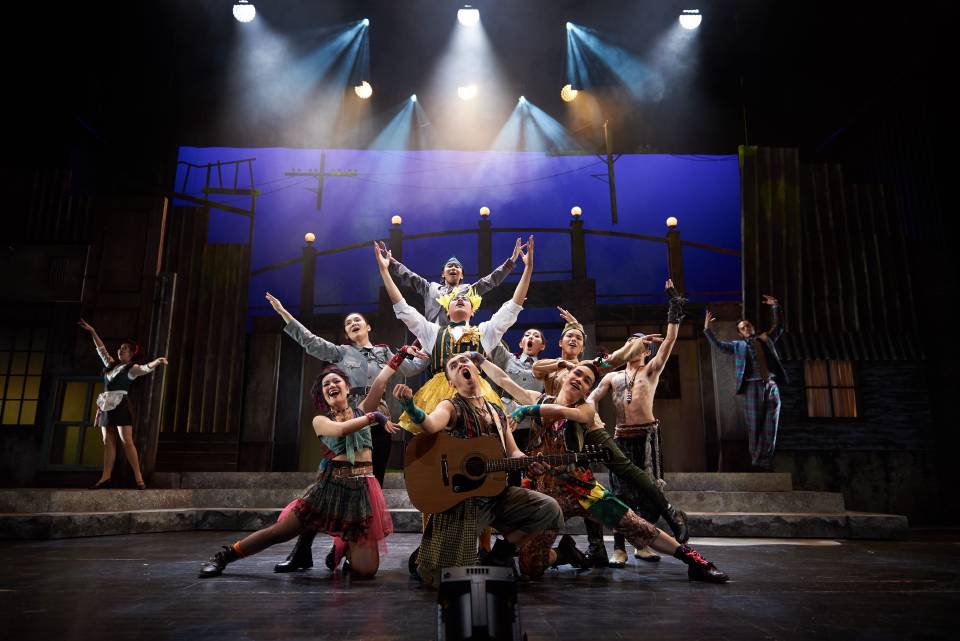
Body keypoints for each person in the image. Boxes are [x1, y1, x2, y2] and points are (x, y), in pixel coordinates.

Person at [478, 354, 728, 584]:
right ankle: (565, 553)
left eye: (586, 380)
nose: (579, 379)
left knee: (636, 525)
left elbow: (562, 411)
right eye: (577, 373)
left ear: (587, 390)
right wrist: (480, 360)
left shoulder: (585, 409)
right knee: (531, 566)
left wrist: (525, 410)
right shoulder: (538, 398)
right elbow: (504, 380)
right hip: (544, 494)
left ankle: (694, 561)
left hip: (582, 489)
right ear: (567, 375)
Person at [197, 354, 408, 579]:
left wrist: (402, 354)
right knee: (278, 533)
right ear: (323, 396)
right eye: (326, 385)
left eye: (336, 381)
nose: (331, 385)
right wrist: (374, 417)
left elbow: (381, 380)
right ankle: (225, 556)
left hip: (361, 490)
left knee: (366, 570)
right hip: (330, 487)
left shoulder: (363, 410)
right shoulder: (321, 421)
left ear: (347, 388)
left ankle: (345, 547)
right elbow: (341, 430)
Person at [264, 293, 427, 572]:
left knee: (369, 489)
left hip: (378, 423)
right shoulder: (341, 353)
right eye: (348, 322)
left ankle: (348, 550)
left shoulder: (385, 354)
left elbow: (414, 368)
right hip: (348, 420)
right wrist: (284, 313)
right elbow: (310, 341)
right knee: (327, 489)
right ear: (347, 332)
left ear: (368, 327)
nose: (352, 323)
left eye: (357, 320)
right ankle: (302, 551)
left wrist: (426, 344)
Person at [394, 353, 565, 586]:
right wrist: (410, 407)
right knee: (442, 579)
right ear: (451, 382)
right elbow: (431, 425)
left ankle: (500, 554)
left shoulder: (497, 411)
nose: (461, 365)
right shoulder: (451, 406)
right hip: (465, 501)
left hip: (497, 494)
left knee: (549, 509)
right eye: (454, 365)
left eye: (465, 361)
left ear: (477, 370)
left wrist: (529, 462)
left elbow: (513, 452)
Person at [375, 237, 534, 433]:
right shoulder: (432, 328)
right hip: (437, 387)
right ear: (447, 310)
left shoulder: (483, 332)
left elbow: (512, 306)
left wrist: (527, 268)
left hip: (476, 390)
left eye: (464, 299)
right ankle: (385, 358)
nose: (459, 299)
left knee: (483, 435)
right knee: (437, 436)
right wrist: (385, 269)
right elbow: (403, 308)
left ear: (473, 310)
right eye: (454, 300)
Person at [588, 279, 684, 566]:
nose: (635, 346)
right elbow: (592, 398)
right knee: (619, 493)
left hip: (646, 436)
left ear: (646, 351)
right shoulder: (612, 376)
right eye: (630, 342)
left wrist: (673, 307)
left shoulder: (651, 370)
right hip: (620, 436)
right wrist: (591, 419)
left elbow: (669, 341)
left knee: (651, 491)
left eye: (640, 343)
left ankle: (642, 545)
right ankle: (619, 547)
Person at [78, 319, 167, 491]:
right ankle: (106, 476)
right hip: (106, 404)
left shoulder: (131, 368)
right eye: (120, 348)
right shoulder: (111, 365)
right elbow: (101, 349)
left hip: (120, 403)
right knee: (107, 440)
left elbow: (145, 368)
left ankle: (138, 478)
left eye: (124, 348)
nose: (120, 350)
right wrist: (92, 331)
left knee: (126, 441)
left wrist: (157, 361)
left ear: (132, 353)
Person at [704, 295, 787, 469]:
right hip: (752, 386)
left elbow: (779, 327)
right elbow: (719, 345)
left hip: (771, 385)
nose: (746, 328)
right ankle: (756, 461)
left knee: (771, 424)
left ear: (753, 327)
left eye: (748, 325)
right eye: (743, 327)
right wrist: (707, 329)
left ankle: (765, 461)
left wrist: (775, 306)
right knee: (754, 426)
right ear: (740, 333)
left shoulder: (766, 339)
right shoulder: (738, 346)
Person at [386, 238, 524, 324]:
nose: (453, 268)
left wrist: (512, 261)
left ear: (462, 275)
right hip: (431, 338)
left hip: (459, 339)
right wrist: (391, 262)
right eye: (450, 266)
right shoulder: (430, 288)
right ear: (443, 274)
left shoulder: (468, 290)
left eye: (457, 267)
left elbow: (491, 280)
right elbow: (409, 276)